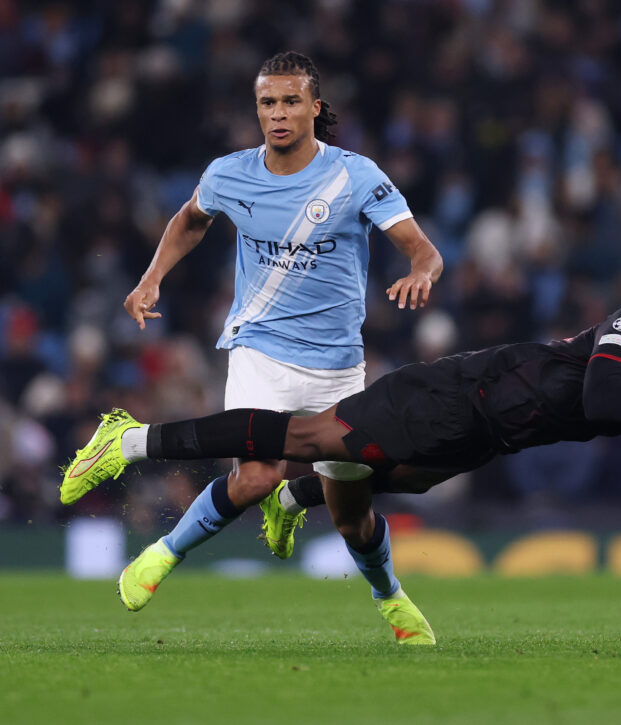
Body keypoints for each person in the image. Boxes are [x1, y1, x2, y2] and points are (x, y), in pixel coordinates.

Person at [61, 279, 621, 650]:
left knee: (384, 485)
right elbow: (600, 391)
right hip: (461, 391)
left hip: (488, 438)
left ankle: (292, 503)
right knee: (303, 438)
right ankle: (127, 440)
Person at [61, 51, 444, 644]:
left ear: (315, 107)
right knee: (255, 477)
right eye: (268, 103)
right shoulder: (229, 174)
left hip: (339, 366)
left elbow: (422, 248)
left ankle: (389, 597)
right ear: (257, 110)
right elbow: (191, 218)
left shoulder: (356, 175)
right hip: (259, 348)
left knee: (352, 517)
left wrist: (420, 270)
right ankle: (162, 555)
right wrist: (151, 278)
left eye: (291, 101)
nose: (278, 113)